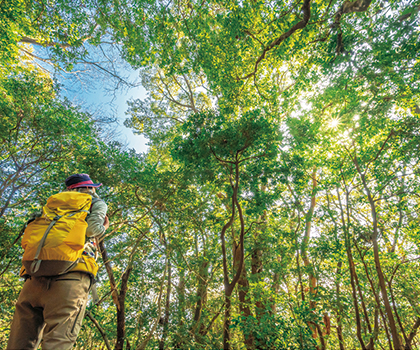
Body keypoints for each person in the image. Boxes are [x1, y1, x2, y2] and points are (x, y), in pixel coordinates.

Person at [7, 174, 109, 350]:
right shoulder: (94, 202)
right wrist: (104, 228)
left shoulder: (53, 205)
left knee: (19, 344)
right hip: (70, 278)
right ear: (90, 188)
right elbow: (93, 229)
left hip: (34, 277)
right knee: (58, 343)